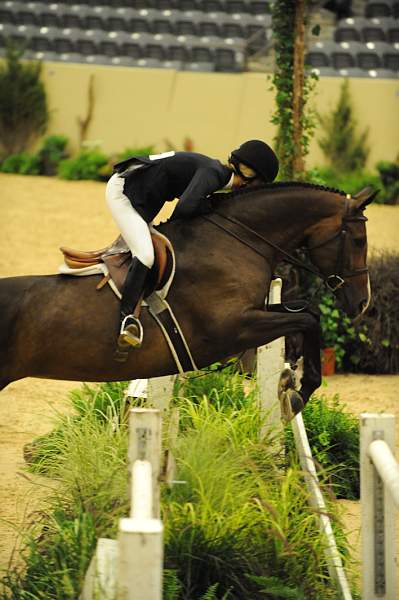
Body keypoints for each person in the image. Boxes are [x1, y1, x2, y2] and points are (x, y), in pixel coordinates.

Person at [106, 139, 279, 349]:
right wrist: (211, 206)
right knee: (145, 255)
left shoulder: (216, 172)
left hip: (144, 199)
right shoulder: (214, 173)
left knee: (157, 251)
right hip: (123, 192)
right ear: (249, 178)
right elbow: (185, 209)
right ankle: (126, 320)